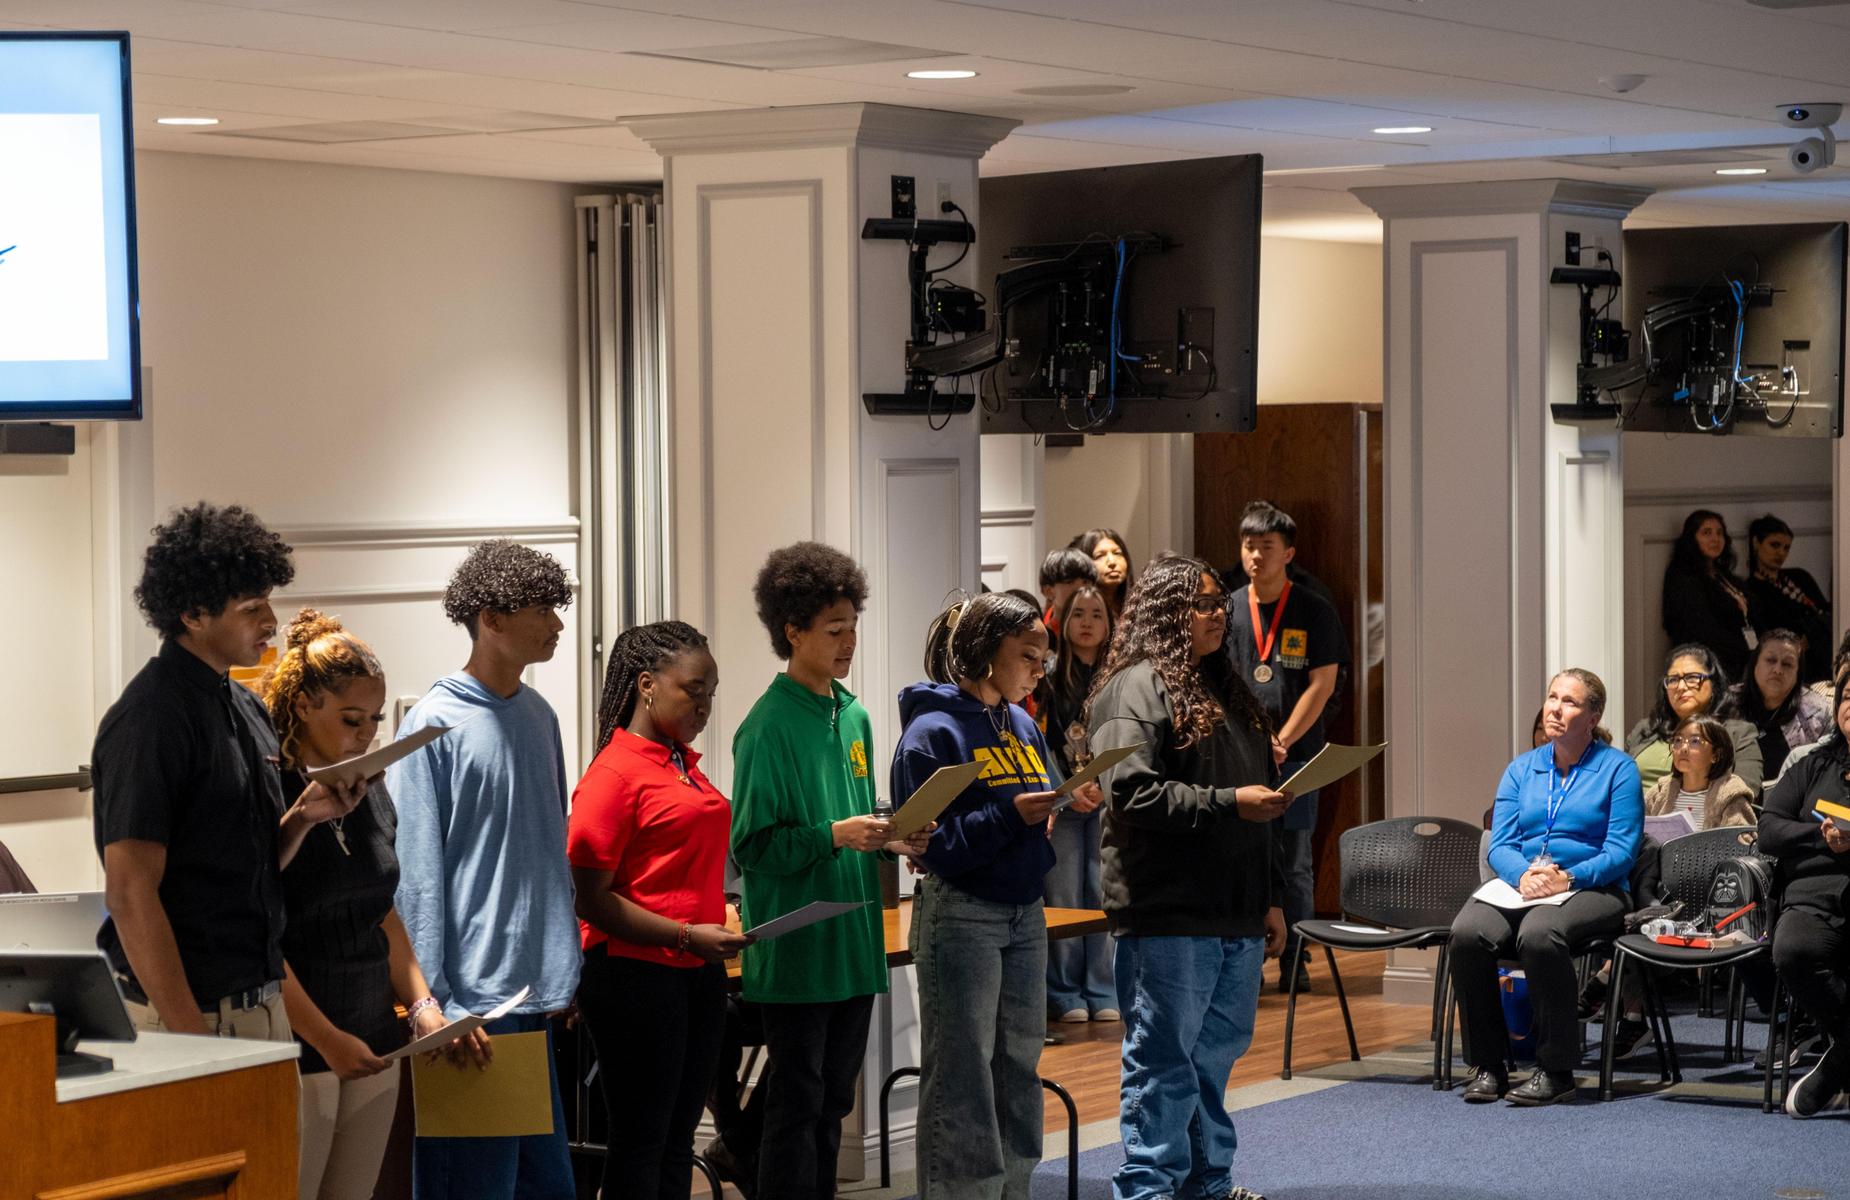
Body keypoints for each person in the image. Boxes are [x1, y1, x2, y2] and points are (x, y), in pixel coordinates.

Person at [92, 502, 364, 1041]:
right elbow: (129, 893)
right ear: (193, 614)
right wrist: (191, 1038)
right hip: (188, 1017)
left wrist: (303, 819)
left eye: (269, 603)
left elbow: (246, 866)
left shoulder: (244, 704)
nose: (270, 622)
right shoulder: (150, 720)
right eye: (250, 608)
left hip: (258, 1004)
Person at [1085, 554, 1288, 1200]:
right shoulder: (1135, 687)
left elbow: (1265, 805)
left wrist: (1273, 897)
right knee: (1163, 1061)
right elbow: (1130, 793)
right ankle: (1147, 1188)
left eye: (1217, 605)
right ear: (1165, 613)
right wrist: (1231, 804)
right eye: (1200, 604)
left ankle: (1207, 1183)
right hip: (1166, 910)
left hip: (1235, 909)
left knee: (1213, 1060)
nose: (1215, 614)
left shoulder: (1228, 691)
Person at [731, 542, 928, 1200]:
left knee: (833, 1104)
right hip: (795, 949)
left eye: (853, 627)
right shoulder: (766, 727)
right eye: (834, 629)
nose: (848, 642)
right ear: (793, 632)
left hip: (852, 942)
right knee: (796, 1107)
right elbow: (754, 848)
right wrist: (833, 835)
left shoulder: (856, 715)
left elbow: (854, 819)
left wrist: (893, 837)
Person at [387, 539, 580, 1200]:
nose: (558, 624)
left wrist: (563, 967)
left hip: (531, 1001)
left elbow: (548, 855)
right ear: (491, 619)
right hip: (467, 1011)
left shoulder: (539, 718)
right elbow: (416, 877)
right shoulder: (431, 726)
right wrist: (428, 1002)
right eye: (542, 610)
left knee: (541, 1189)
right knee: (471, 1189)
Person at [263, 609, 452, 1200]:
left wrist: (420, 1002)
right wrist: (324, 1037)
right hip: (301, 1039)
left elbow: (381, 909)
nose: (367, 733)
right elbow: (256, 934)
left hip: (372, 1031)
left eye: (373, 718)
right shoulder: (271, 788)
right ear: (302, 706)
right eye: (351, 719)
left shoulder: (370, 788)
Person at [568, 621, 747, 1200]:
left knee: (676, 1144)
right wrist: (686, 934)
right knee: (642, 1144)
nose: (705, 704)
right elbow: (592, 899)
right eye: (693, 689)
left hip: (694, 973)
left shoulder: (681, 765)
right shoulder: (613, 774)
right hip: (634, 976)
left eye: (712, 692)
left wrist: (710, 923)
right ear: (647, 684)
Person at [892, 591, 1058, 1200]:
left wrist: (1052, 814)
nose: (1039, 669)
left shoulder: (1022, 723)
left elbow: (1032, 810)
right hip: (963, 913)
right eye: (1028, 655)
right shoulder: (931, 733)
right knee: (963, 1070)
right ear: (988, 654)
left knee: (1018, 1066)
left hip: (1024, 910)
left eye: (1044, 657)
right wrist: (1013, 815)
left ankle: (1013, 1190)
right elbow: (936, 847)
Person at [1449, 668, 1642, 1107]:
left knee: (1538, 933)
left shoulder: (1618, 770)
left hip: (1595, 886)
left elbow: (1622, 850)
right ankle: (1489, 1064)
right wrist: (1522, 876)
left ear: (1593, 717)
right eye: (1553, 697)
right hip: (1524, 884)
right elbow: (1501, 844)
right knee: (1466, 934)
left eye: (1570, 702)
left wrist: (1567, 877)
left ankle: (1556, 1070)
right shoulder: (1522, 769)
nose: (1555, 708)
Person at [1223, 500, 1347, 995]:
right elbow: (1223, 681)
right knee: (1244, 856)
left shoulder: (1313, 608)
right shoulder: (1229, 607)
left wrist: (1283, 739)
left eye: (1266, 547)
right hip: (1241, 756)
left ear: (1288, 552)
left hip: (1297, 757)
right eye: (1248, 545)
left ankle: (1296, 957)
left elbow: (1322, 684)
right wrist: (1250, 739)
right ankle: (1247, 956)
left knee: (1294, 861)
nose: (1255, 555)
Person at [1760, 670, 1850, 1118]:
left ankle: (1837, 1065)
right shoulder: (1812, 762)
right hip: (1812, 890)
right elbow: (1769, 830)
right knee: (1793, 949)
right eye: (1848, 697)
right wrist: (1822, 836)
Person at [1039, 583, 1114, 1023]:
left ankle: (1103, 987)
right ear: (1064, 623)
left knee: (1101, 890)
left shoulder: (1119, 676)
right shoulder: (1047, 676)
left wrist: (1102, 785)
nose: (1087, 622)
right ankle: (1065, 991)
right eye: (1079, 614)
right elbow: (1040, 739)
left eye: (1097, 614)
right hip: (1063, 801)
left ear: (1109, 625)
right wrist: (1068, 791)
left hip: (1105, 798)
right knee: (1063, 893)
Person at [1623, 644, 1762, 793]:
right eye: (1673, 679)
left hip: (1705, 814)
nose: (1681, 686)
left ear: (1713, 684)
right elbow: (1618, 781)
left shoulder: (1740, 734)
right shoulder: (1646, 729)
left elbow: (1746, 794)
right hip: (1636, 814)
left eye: (1692, 678)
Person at [1661, 509, 1756, 680]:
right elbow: (1702, 630)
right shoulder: (1682, 576)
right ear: (1692, 538)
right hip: (1707, 666)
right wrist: (1745, 649)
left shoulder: (1724, 575)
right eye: (1706, 533)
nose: (1715, 539)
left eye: (1719, 533)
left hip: (1740, 662)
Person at [1731, 629, 1831, 781]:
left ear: (1798, 673)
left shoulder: (1819, 713)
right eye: (1770, 660)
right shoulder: (1726, 703)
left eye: (1787, 664)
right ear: (1755, 664)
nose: (1777, 670)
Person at [1743, 514, 1831, 684]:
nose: (1781, 553)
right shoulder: (1751, 589)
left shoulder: (1799, 576)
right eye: (1774, 545)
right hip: (1789, 663)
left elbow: (1826, 612)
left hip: (1822, 652)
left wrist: (1812, 634)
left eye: (1786, 548)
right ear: (1756, 543)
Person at [1641, 715, 1755, 833]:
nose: (1683, 748)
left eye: (1695, 741)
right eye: (1678, 740)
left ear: (1715, 755)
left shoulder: (1730, 794)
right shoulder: (1659, 791)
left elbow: (1741, 842)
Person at [1038, 546, 1099, 642]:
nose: (1081, 589)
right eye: (1070, 582)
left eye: (1086, 581)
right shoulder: (1042, 638)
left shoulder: (1101, 631)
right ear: (1048, 591)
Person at [1072, 528, 1134, 618]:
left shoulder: (1138, 604)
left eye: (1117, 553)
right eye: (1100, 556)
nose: (1112, 562)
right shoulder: (1076, 610)